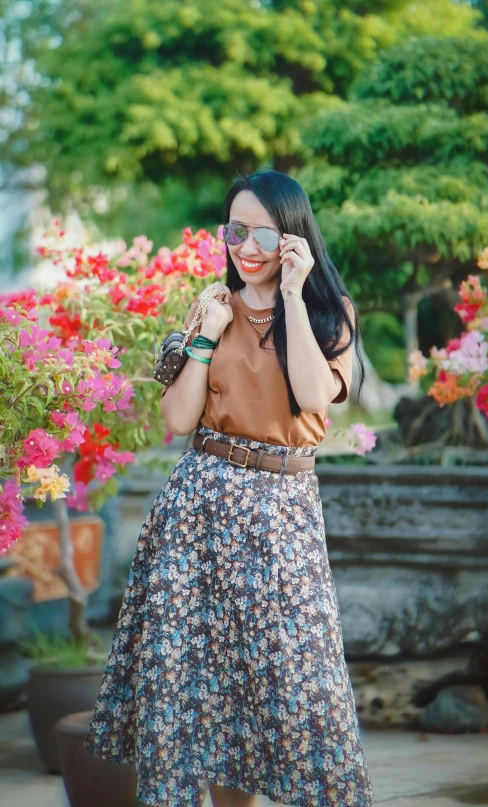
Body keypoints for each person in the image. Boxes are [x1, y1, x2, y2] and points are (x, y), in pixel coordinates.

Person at [85, 169, 374, 807]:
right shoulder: (212, 304)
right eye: (235, 231)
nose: (246, 247)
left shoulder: (330, 313)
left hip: (281, 510)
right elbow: (178, 420)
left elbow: (311, 394)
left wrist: (294, 296)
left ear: (293, 238)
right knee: (206, 689)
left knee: (296, 682)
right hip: (200, 506)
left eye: (262, 234)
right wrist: (208, 334)